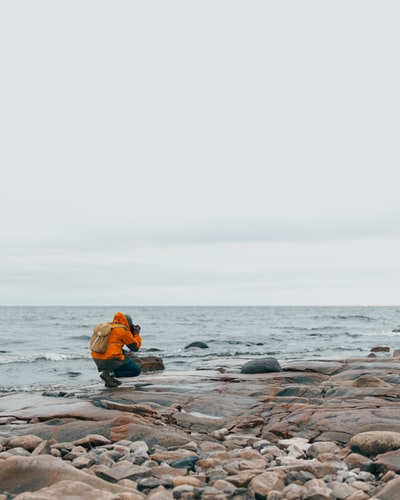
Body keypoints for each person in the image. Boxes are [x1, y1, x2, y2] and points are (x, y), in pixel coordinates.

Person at [91, 311, 142, 388]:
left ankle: (109, 379)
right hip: (110, 359)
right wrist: (136, 334)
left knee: (122, 351)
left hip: (97, 358)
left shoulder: (108, 327)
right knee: (136, 370)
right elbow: (135, 347)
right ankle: (109, 375)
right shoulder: (123, 330)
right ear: (128, 323)